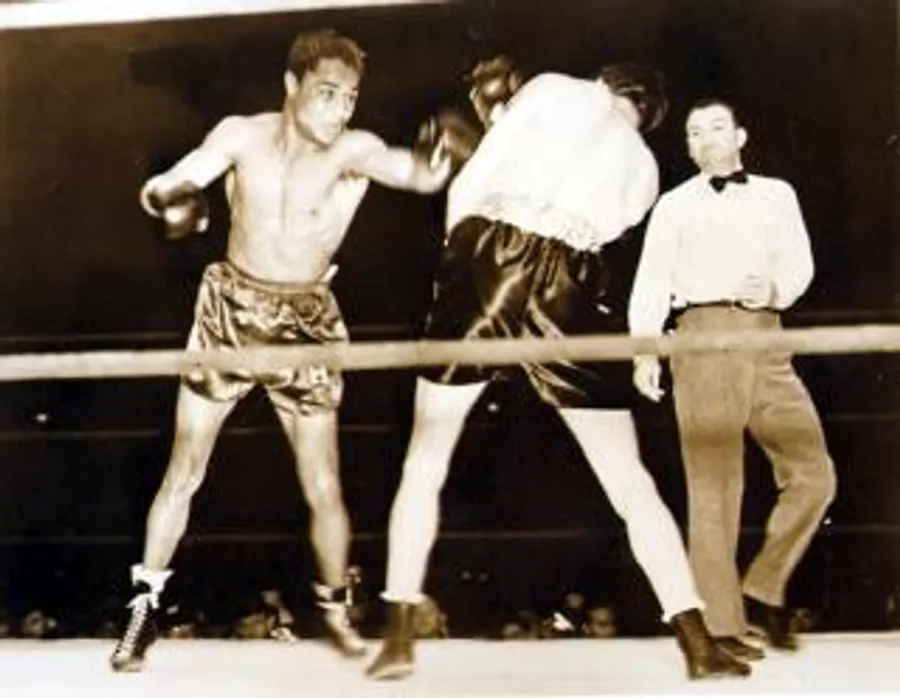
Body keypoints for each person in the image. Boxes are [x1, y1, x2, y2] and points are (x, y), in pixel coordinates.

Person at [366, 65, 750, 682]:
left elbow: (481, 173)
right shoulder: (646, 171)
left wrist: (456, 262)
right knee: (629, 479)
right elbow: (602, 229)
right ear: (647, 116)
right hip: (573, 284)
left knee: (426, 458)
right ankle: (698, 644)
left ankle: (397, 640)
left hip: (492, 257)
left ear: (607, 82)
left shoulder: (555, 88)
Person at [109, 28, 452, 673]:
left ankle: (335, 611)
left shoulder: (354, 150)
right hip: (230, 311)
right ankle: (143, 610)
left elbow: (415, 173)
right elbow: (172, 179)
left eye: (350, 97)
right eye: (327, 93)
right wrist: (167, 197)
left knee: (322, 481)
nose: (340, 109)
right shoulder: (241, 135)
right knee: (185, 467)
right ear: (292, 85)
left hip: (306, 322)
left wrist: (443, 159)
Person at [628, 97, 837, 659]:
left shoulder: (778, 194)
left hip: (768, 339)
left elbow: (799, 262)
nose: (706, 139)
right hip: (702, 338)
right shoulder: (673, 205)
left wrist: (775, 290)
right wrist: (644, 354)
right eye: (694, 133)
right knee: (715, 488)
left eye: (717, 127)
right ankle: (721, 627)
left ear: (741, 136)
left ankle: (763, 591)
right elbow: (650, 281)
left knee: (815, 474)